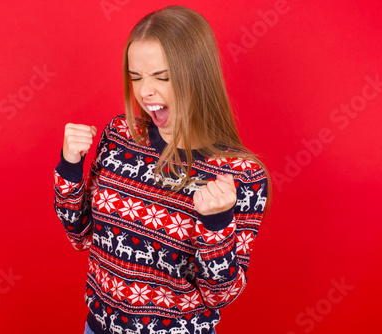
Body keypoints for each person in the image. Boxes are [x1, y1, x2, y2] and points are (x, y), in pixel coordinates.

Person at [54, 5, 271, 334]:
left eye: (162, 77)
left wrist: (216, 223)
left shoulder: (240, 174)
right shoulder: (119, 135)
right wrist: (70, 168)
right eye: (136, 77)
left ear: (196, 75)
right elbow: (81, 235)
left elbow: (220, 295)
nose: (144, 92)